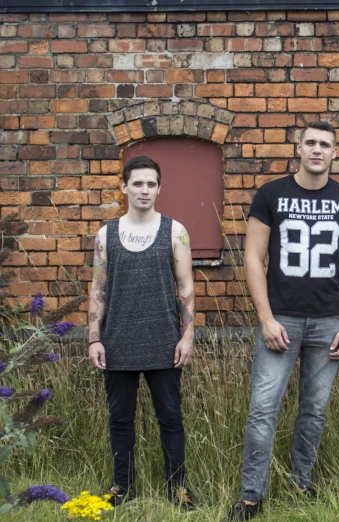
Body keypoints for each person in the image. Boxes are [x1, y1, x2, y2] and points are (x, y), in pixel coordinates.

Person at [227, 121, 339, 521]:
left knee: (314, 409)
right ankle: (251, 496)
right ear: (298, 148)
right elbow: (253, 258)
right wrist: (266, 318)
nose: (317, 150)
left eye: (325, 144)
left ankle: (301, 483)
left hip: (328, 322)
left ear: (335, 152)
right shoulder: (272, 194)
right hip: (281, 319)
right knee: (262, 408)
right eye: (310, 143)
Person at [88, 155, 196, 509]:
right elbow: (98, 290)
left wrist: (187, 335)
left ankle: (177, 488)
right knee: (120, 419)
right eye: (137, 183)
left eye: (151, 184)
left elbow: (186, 286)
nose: (145, 190)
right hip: (117, 341)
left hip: (164, 341)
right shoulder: (106, 234)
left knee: (170, 417)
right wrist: (94, 337)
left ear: (160, 188)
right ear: (124, 187)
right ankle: (123, 487)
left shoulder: (175, 230)